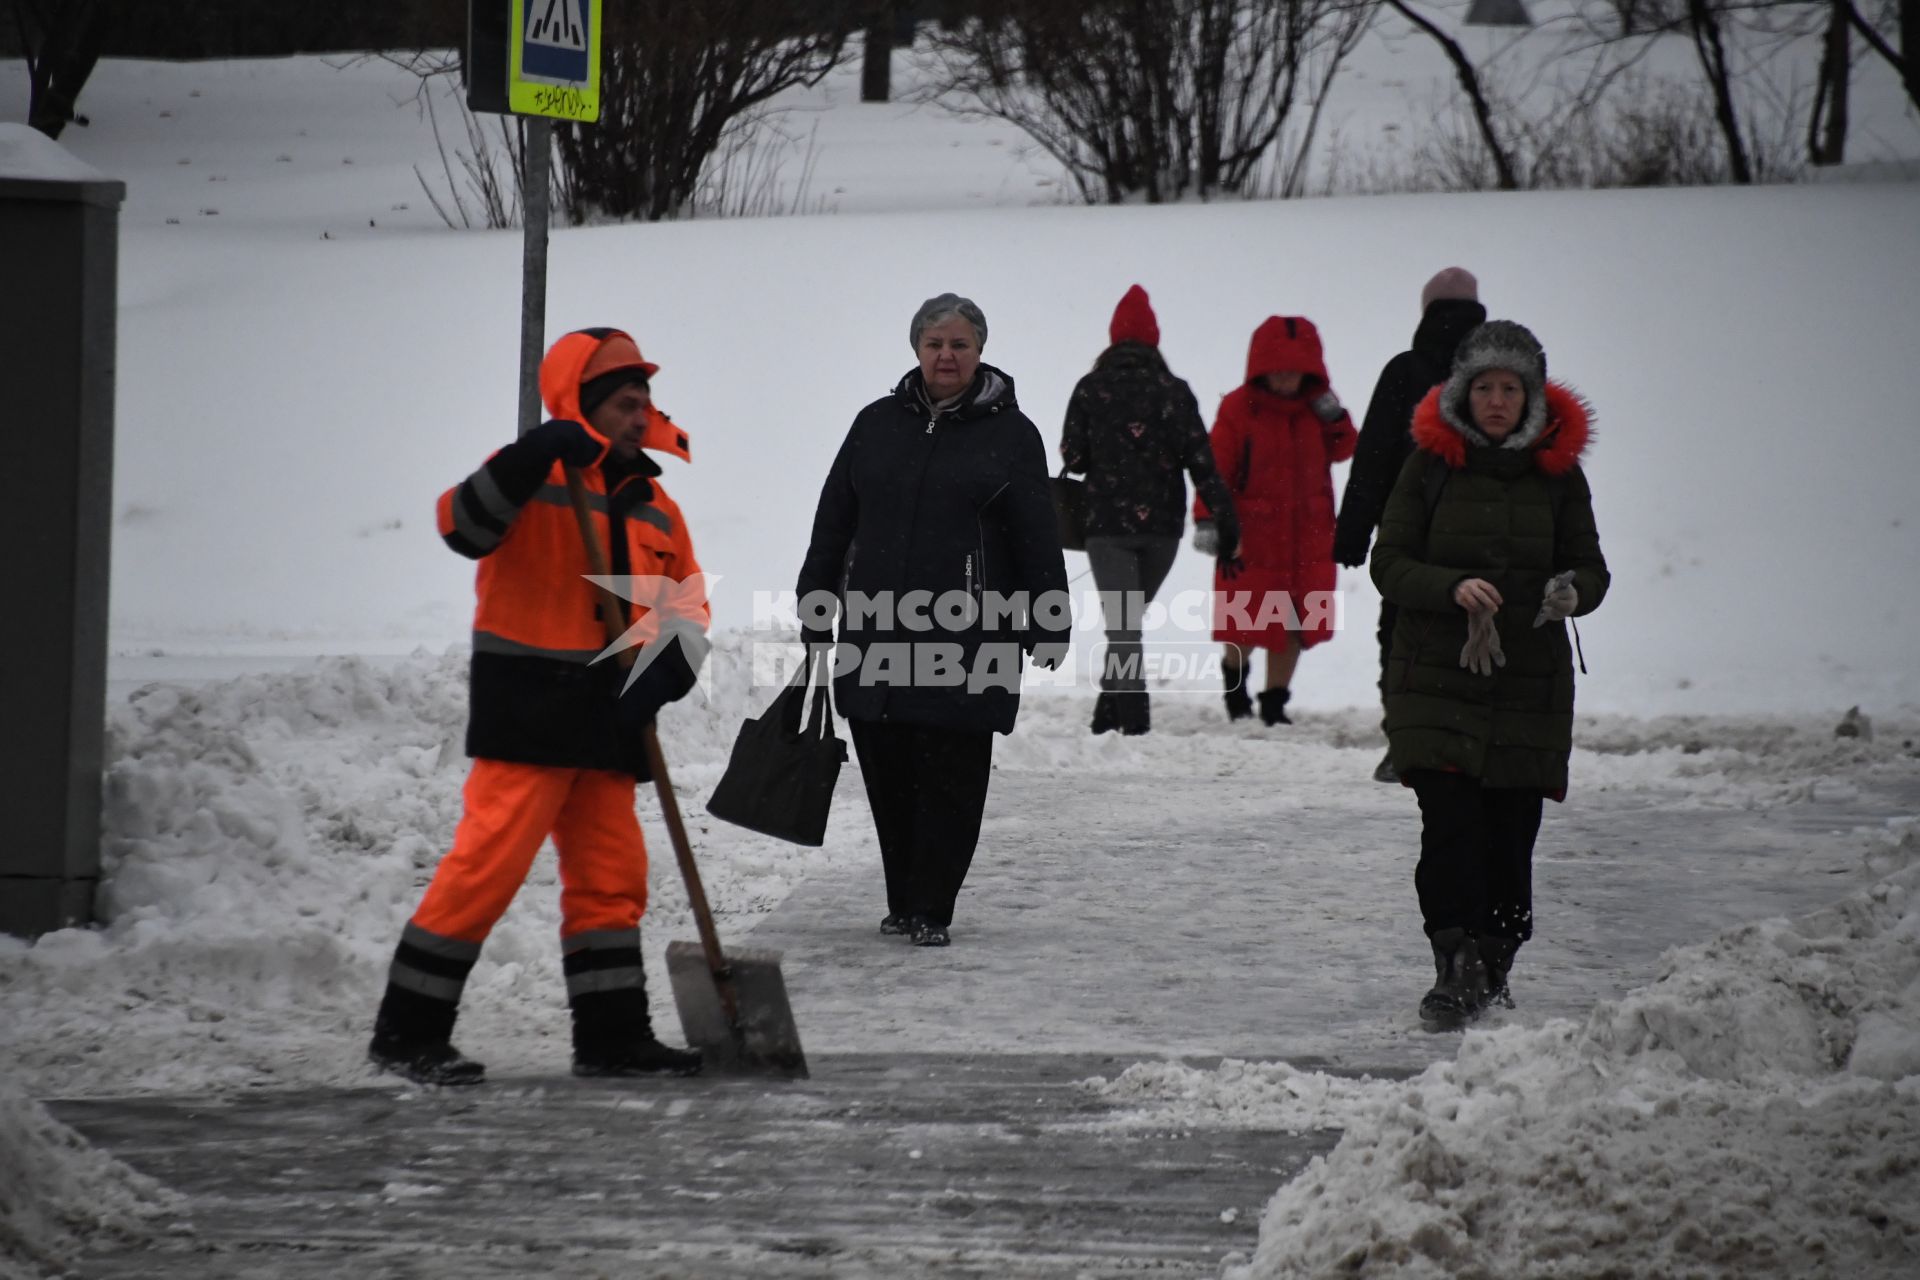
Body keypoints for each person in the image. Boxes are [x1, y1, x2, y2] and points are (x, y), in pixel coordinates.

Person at [368, 327, 709, 1085]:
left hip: (609, 725)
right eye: (623, 402)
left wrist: (657, 680)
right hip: (529, 715)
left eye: (643, 402)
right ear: (583, 407)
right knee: (486, 867)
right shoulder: (534, 478)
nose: (638, 414)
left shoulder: (657, 509)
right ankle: (408, 1032)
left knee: (613, 878)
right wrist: (532, 454)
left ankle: (612, 1038)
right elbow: (461, 525)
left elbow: (688, 616)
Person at [796, 293, 1070, 948]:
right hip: (877, 626)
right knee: (887, 767)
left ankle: (932, 906)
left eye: (960, 345)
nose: (946, 356)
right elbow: (835, 519)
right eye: (934, 344)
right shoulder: (875, 424)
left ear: (980, 351)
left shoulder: (1013, 435)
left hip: (973, 632)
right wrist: (817, 600)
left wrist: (1048, 616)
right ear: (916, 349)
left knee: (952, 771)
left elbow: (1037, 532)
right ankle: (903, 900)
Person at [1369, 320, 1609, 1031]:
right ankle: (1453, 965)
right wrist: (1451, 587)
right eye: (1485, 387)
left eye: (1511, 388)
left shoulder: (1560, 477)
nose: (1497, 400)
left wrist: (1573, 592)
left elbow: (1592, 568)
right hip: (1437, 677)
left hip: (1528, 684)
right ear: (1461, 393)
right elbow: (1390, 562)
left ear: (1532, 395)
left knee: (1510, 832)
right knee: (1449, 826)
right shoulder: (1429, 467)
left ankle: (1496, 959)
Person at [1060, 284, 1239, 736]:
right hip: (1162, 530)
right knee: (1128, 624)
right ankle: (1109, 715)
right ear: (1153, 339)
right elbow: (1202, 460)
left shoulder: (1090, 388)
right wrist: (1224, 515)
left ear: (1113, 338)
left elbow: (1074, 458)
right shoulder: (1174, 391)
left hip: (1106, 528)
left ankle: (1133, 723)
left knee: (1124, 626)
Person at [1334, 268, 1487, 782]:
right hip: (1485, 527)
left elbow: (1373, 455)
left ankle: (1405, 743)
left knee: (1402, 636)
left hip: (1412, 529)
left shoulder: (1405, 371)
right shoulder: (1497, 373)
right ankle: (1473, 739)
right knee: (1479, 627)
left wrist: (1353, 531)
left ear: (1426, 313)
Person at [1194, 315, 1356, 725]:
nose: (1286, 379)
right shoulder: (1236, 408)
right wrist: (1210, 521)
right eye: (1278, 370)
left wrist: (1334, 414)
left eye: (1295, 370)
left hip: (1310, 535)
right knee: (1243, 622)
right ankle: (1236, 686)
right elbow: (1216, 470)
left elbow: (1345, 448)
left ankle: (1274, 702)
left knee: (1294, 622)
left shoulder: (1316, 411)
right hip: (1251, 537)